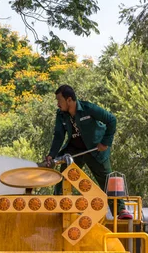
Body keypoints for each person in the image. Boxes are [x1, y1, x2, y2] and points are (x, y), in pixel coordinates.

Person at [46, 85, 131, 219]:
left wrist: (105, 142)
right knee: (62, 177)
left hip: (95, 149)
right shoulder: (61, 115)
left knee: (107, 179)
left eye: (59, 100)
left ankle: (121, 211)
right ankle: (59, 209)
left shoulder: (88, 108)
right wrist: (51, 155)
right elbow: (59, 135)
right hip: (74, 150)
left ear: (69, 100)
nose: (57, 104)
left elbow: (111, 120)